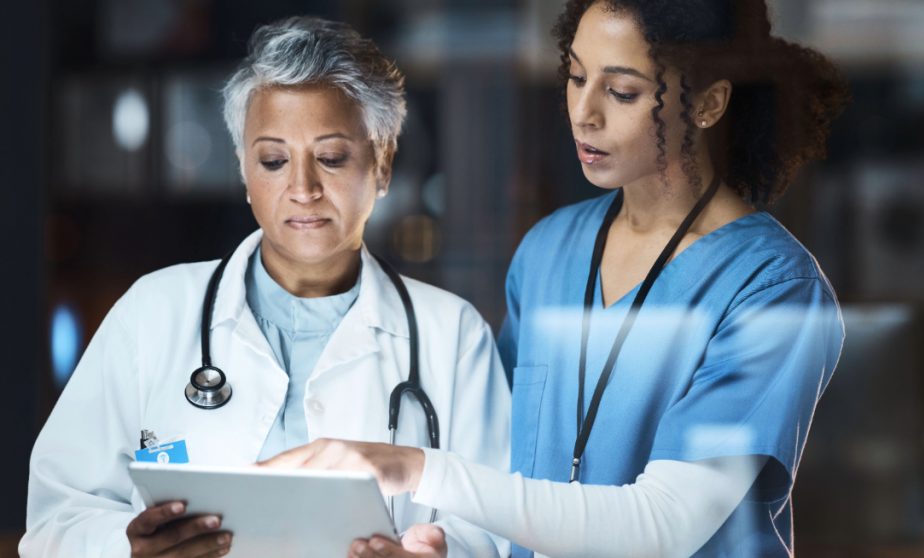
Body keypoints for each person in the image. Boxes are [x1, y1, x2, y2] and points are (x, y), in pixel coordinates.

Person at [261, 1, 850, 557]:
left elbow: (666, 524)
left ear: (708, 103)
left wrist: (418, 468)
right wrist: (451, 547)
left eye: (621, 91)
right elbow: (503, 472)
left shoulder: (771, 287)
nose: (583, 112)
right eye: (575, 77)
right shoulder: (550, 250)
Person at [20, 16, 510, 558]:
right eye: (273, 161)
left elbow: (498, 529)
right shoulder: (153, 313)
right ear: (243, 171)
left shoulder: (452, 336)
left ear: (384, 164)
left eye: (330, 157)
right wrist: (126, 547)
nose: (302, 189)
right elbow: (53, 522)